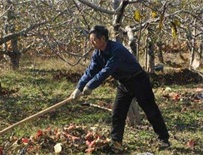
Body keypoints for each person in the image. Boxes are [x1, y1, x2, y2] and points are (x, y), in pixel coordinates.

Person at [70, 25, 170, 154]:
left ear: (102, 38)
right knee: (117, 113)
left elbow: (107, 70)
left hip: (138, 80)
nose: (91, 43)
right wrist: (79, 88)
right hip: (124, 83)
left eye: (93, 40)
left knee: (150, 110)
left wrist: (90, 86)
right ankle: (116, 143)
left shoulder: (117, 50)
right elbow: (90, 71)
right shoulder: (97, 54)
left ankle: (164, 139)